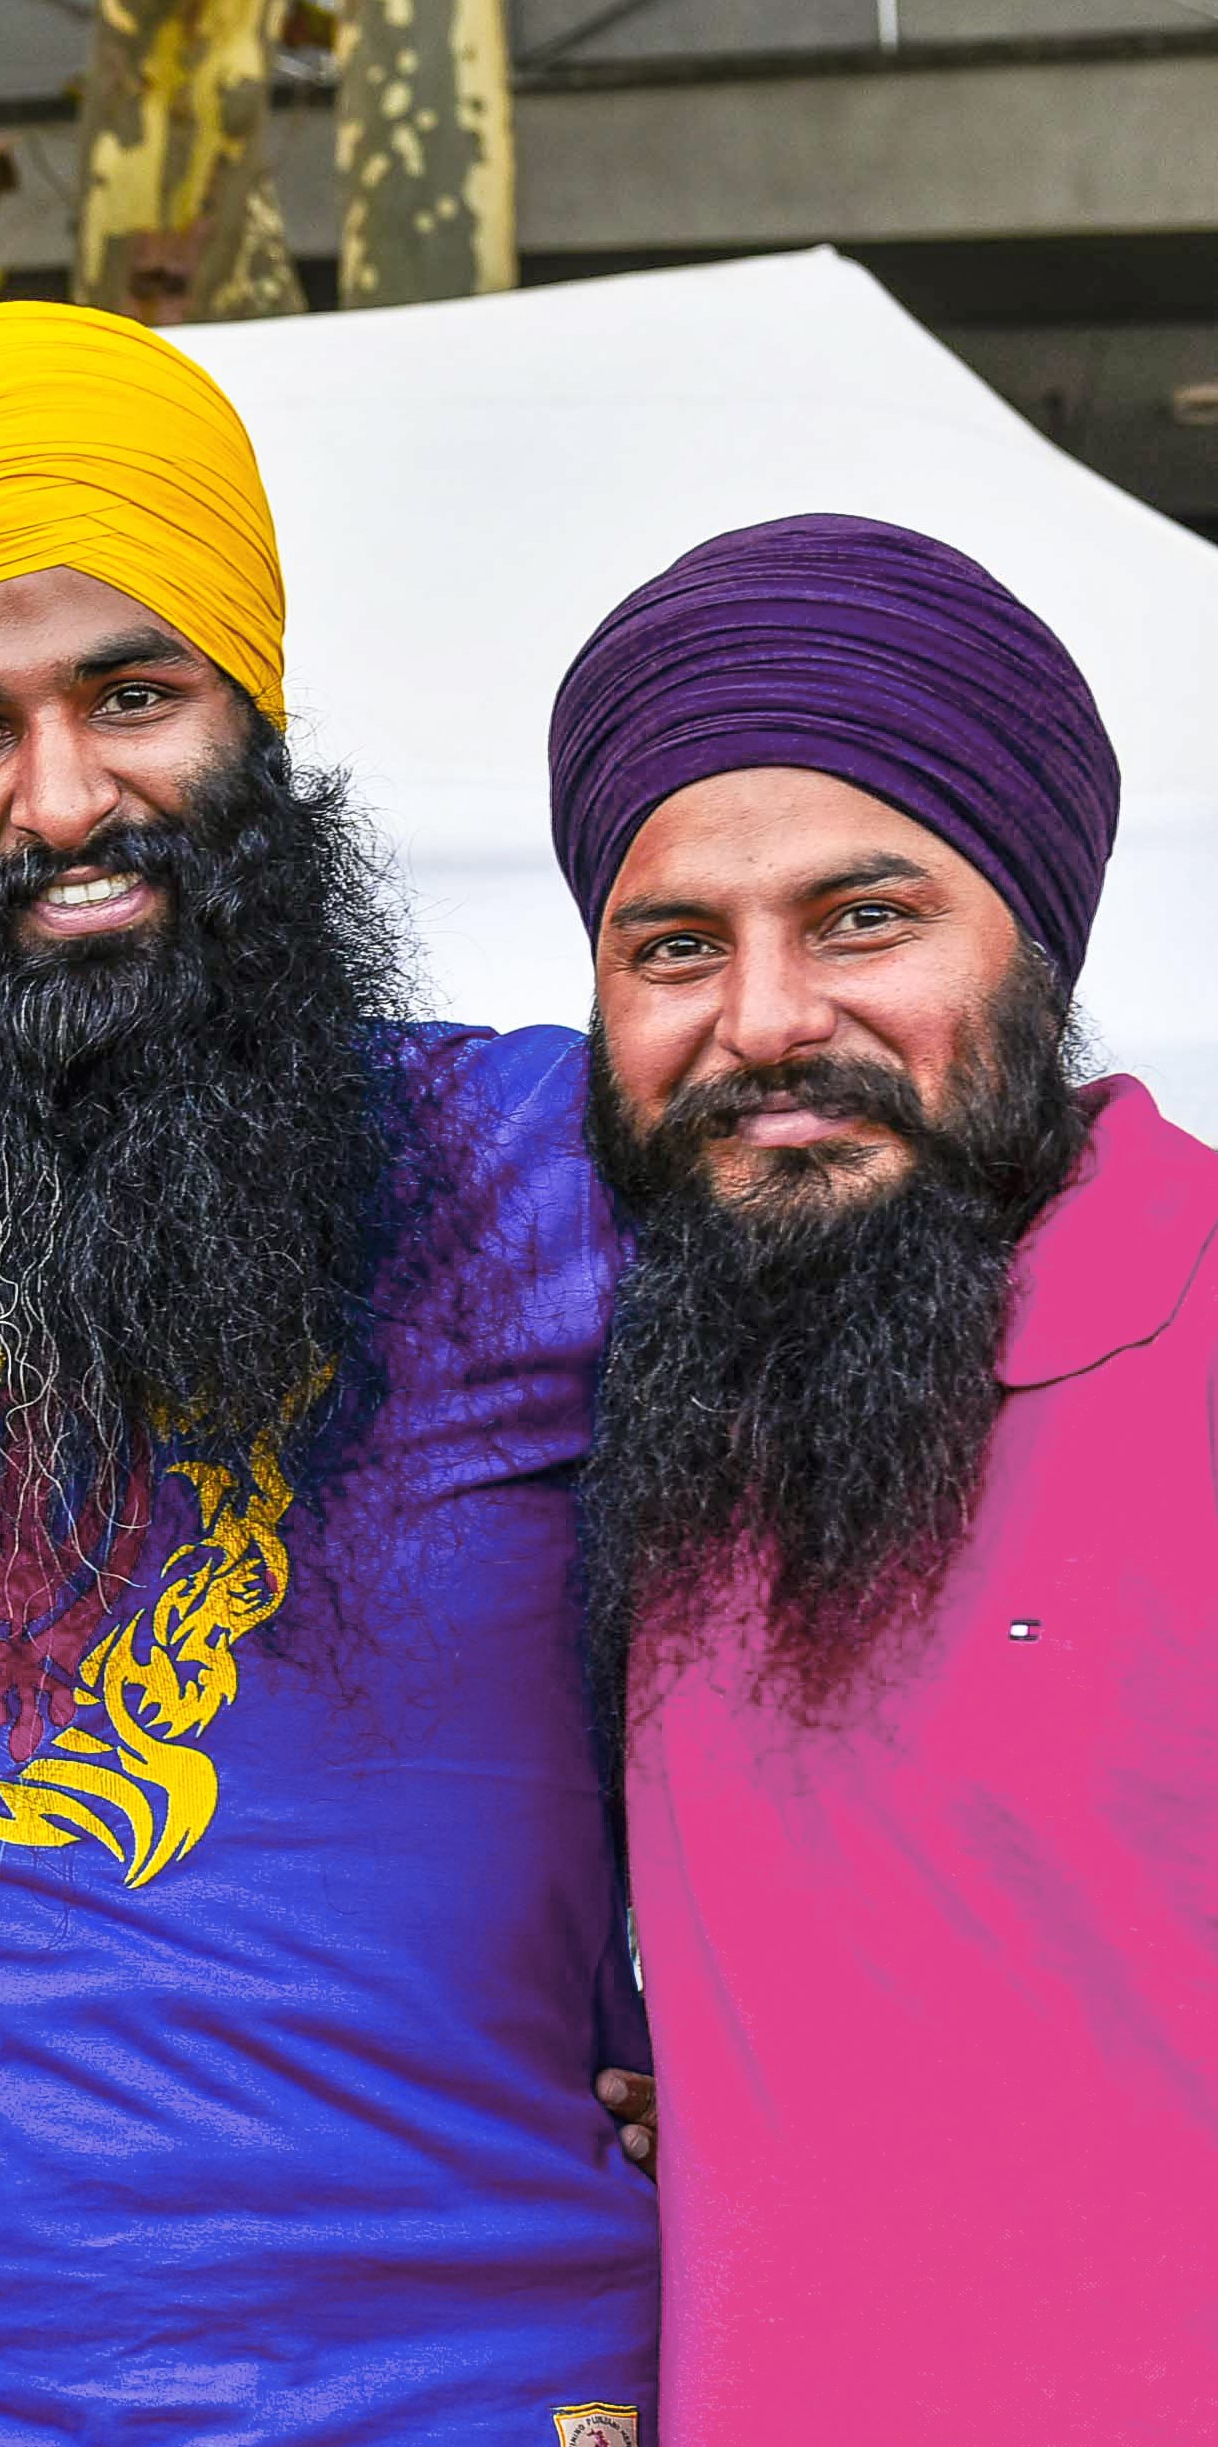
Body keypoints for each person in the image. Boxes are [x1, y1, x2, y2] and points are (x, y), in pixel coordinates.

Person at [0, 303, 658, 2441]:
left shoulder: (561, 1174)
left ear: (251, 724)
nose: (62, 801)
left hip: (486, 2383)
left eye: (130, 697)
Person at [556, 513, 1214, 2440]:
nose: (764, 1021)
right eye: (677, 946)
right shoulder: (679, 1366)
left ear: (1039, 940)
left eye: (864, 918)